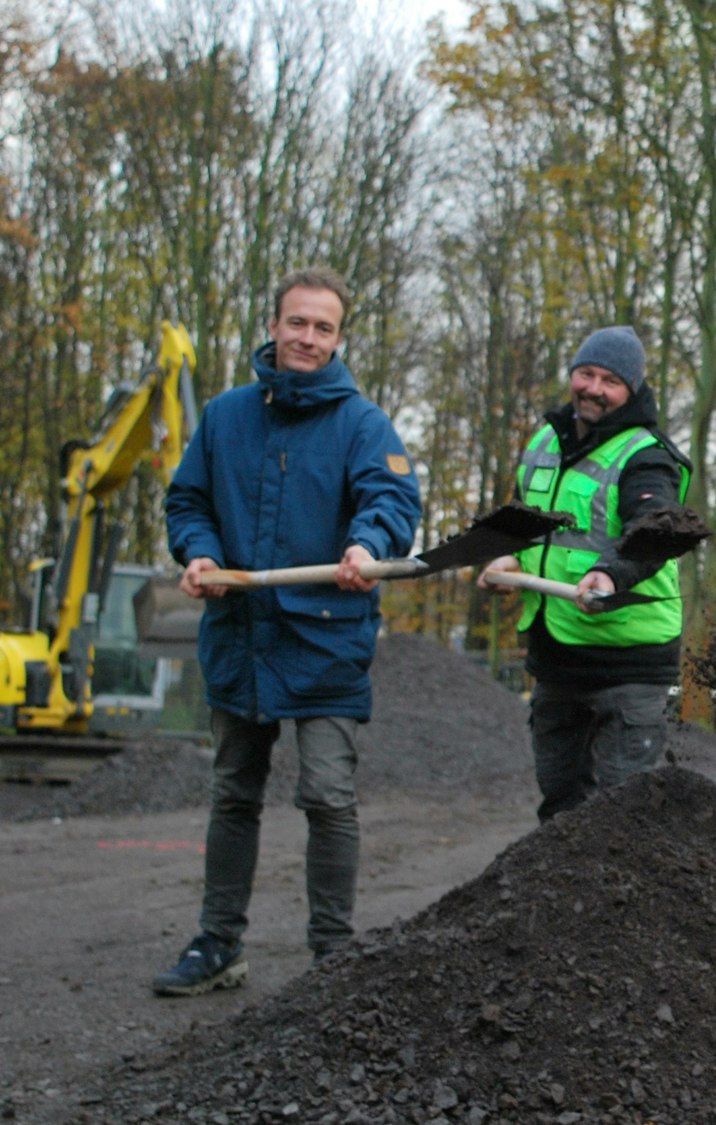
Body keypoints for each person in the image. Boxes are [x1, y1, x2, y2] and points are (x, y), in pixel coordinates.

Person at [154, 267, 422, 996]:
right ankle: (218, 943)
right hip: (240, 633)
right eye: (296, 322)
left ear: (339, 338)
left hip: (326, 638)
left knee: (328, 794)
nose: (307, 338)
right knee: (233, 791)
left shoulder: (362, 424)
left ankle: (332, 956)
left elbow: (393, 500)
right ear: (273, 325)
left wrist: (367, 545)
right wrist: (200, 552)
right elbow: (187, 501)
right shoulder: (225, 417)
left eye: (323, 327)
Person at [478, 326, 691, 823]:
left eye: (610, 381)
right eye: (586, 374)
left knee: (623, 817)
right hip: (557, 659)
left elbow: (656, 529)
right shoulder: (544, 443)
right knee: (560, 807)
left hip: (630, 663)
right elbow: (532, 527)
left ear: (632, 390)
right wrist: (511, 560)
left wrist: (611, 575)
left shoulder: (646, 455)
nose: (594, 388)